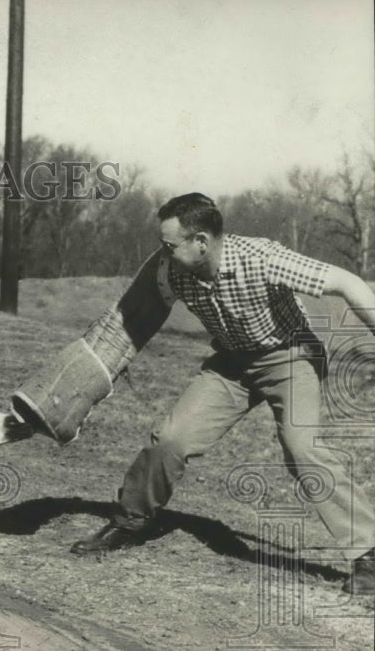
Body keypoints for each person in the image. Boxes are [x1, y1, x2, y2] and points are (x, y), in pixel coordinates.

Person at [69, 192, 375, 595]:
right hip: (231, 364)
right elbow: (127, 321)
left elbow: (346, 282)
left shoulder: (261, 257)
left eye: (170, 244)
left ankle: (368, 554)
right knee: (171, 439)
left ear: (201, 242)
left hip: (290, 356)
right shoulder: (172, 269)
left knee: (303, 449)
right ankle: (130, 521)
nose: (163, 252)